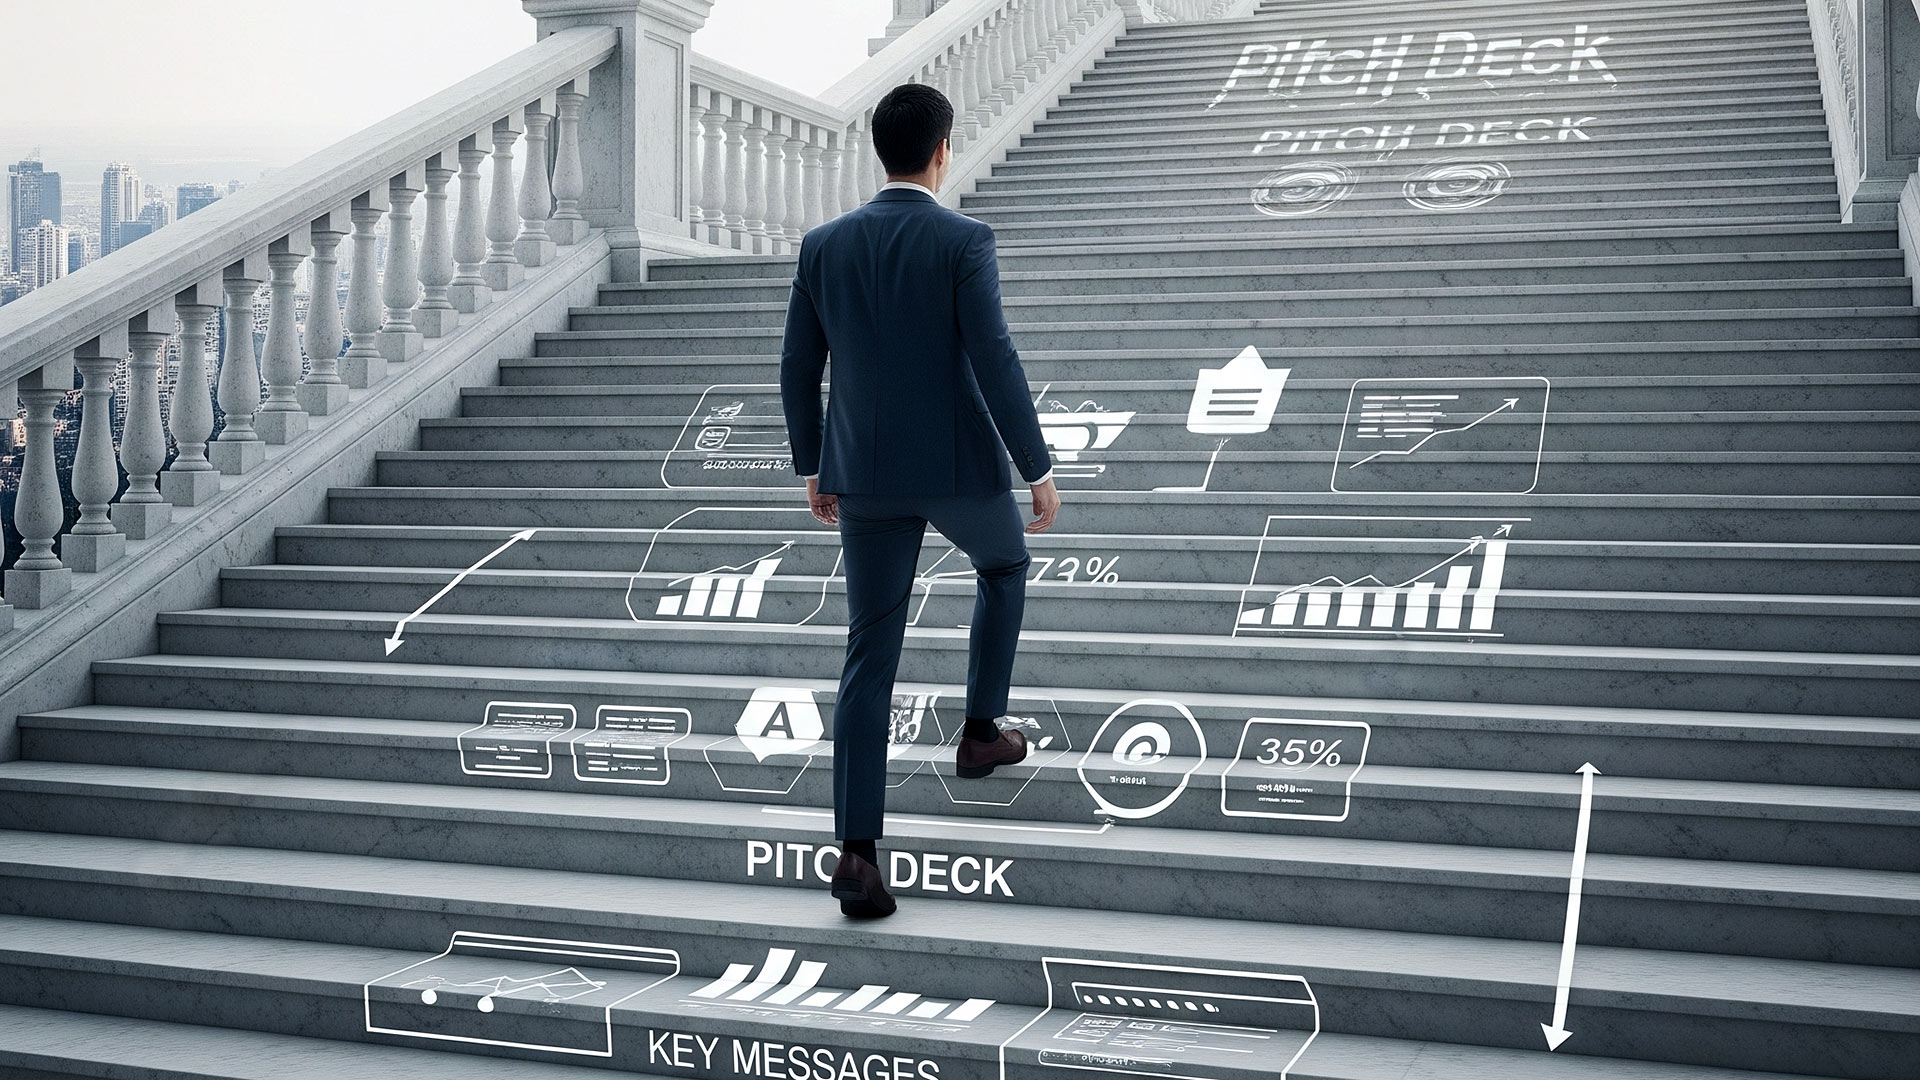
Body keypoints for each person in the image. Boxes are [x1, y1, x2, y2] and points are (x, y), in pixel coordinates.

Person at [780, 82, 1061, 919]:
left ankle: (858, 859)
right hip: (958, 468)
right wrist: (1035, 466)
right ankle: (980, 734)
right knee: (1006, 565)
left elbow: (799, 368)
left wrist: (814, 462)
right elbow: (996, 357)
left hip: (861, 472)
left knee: (870, 652)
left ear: (884, 150)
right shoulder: (963, 239)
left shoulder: (823, 245)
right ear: (944, 149)